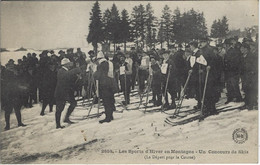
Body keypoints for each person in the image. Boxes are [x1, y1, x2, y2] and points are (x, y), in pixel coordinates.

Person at [54, 58, 85, 129]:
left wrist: (78, 77)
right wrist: (76, 69)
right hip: (61, 93)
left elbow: (70, 79)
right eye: (69, 63)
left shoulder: (67, 71)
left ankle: (66, 118)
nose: (70, 64)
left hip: (68, 92)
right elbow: (67, 75)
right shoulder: (61, 71)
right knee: (59, 109)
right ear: (66, 64)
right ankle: (58, 125)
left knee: (73, 103)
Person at [199, 37, 221, 117]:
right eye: (200, 42)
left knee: (209, 91)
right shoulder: (201, 50)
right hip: (204, 74)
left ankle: (212, 108)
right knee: (204, 91)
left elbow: (214, 59)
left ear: (206, 42)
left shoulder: (209, 50)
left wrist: (210, 66)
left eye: (203, 42)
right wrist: (201, 68)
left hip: (210, 74)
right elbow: (200, 61)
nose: (201, 43)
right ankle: (206, 107)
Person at [1, 62, 27, 130]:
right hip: (8, 95)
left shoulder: (14, 74)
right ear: (7, 67)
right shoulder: (4, 75)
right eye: (10, 67)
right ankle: (8, 125)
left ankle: (17, 123)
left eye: (12, 67)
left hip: (14, 95)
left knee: (16, 110)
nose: (11, 68)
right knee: (9, 111)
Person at [94, 51, 117, 123]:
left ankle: (108, 117)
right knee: (110, 100)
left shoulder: (101, 65)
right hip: (109, 83)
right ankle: (110, 115)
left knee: (106, 101)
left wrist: (94, 74)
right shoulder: (109, 63)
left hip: (104, 85)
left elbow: (98, 75)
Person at [223, 38, 243, 104]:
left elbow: (235, 62)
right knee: (229, 85)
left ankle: (238, 97)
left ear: (229, 45)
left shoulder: (234, 51)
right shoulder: (228, 51)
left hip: (233, 71)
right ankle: (230, 97)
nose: (225, 46)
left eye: (226, 45)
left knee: (234, 84)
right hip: (228, 71)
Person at [240, 43, 258, 110]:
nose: (241, 50)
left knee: (251, 90)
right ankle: (247, 103)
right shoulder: (243, 56)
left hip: (251, 77)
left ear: (246, 49)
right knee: (246, 90)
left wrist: (252, 72)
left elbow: (256, 66)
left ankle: (251, 105)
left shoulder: (252, 56)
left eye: (242, 49)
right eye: (241, 49)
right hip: (245, 76)